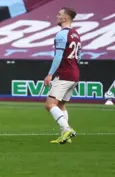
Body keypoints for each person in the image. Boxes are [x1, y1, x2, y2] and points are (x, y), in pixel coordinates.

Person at [44, 7, 80, 144]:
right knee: (61, 105)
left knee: (50, 104)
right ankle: (65, 137)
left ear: (65, 18)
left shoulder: (61, 35)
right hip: (74, 73)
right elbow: (79, 57)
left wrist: (50, 74)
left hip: (64, 74)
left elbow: (58, 56)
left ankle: (66, 129)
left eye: (59, 14)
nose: (56, 16)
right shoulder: (76, 34)